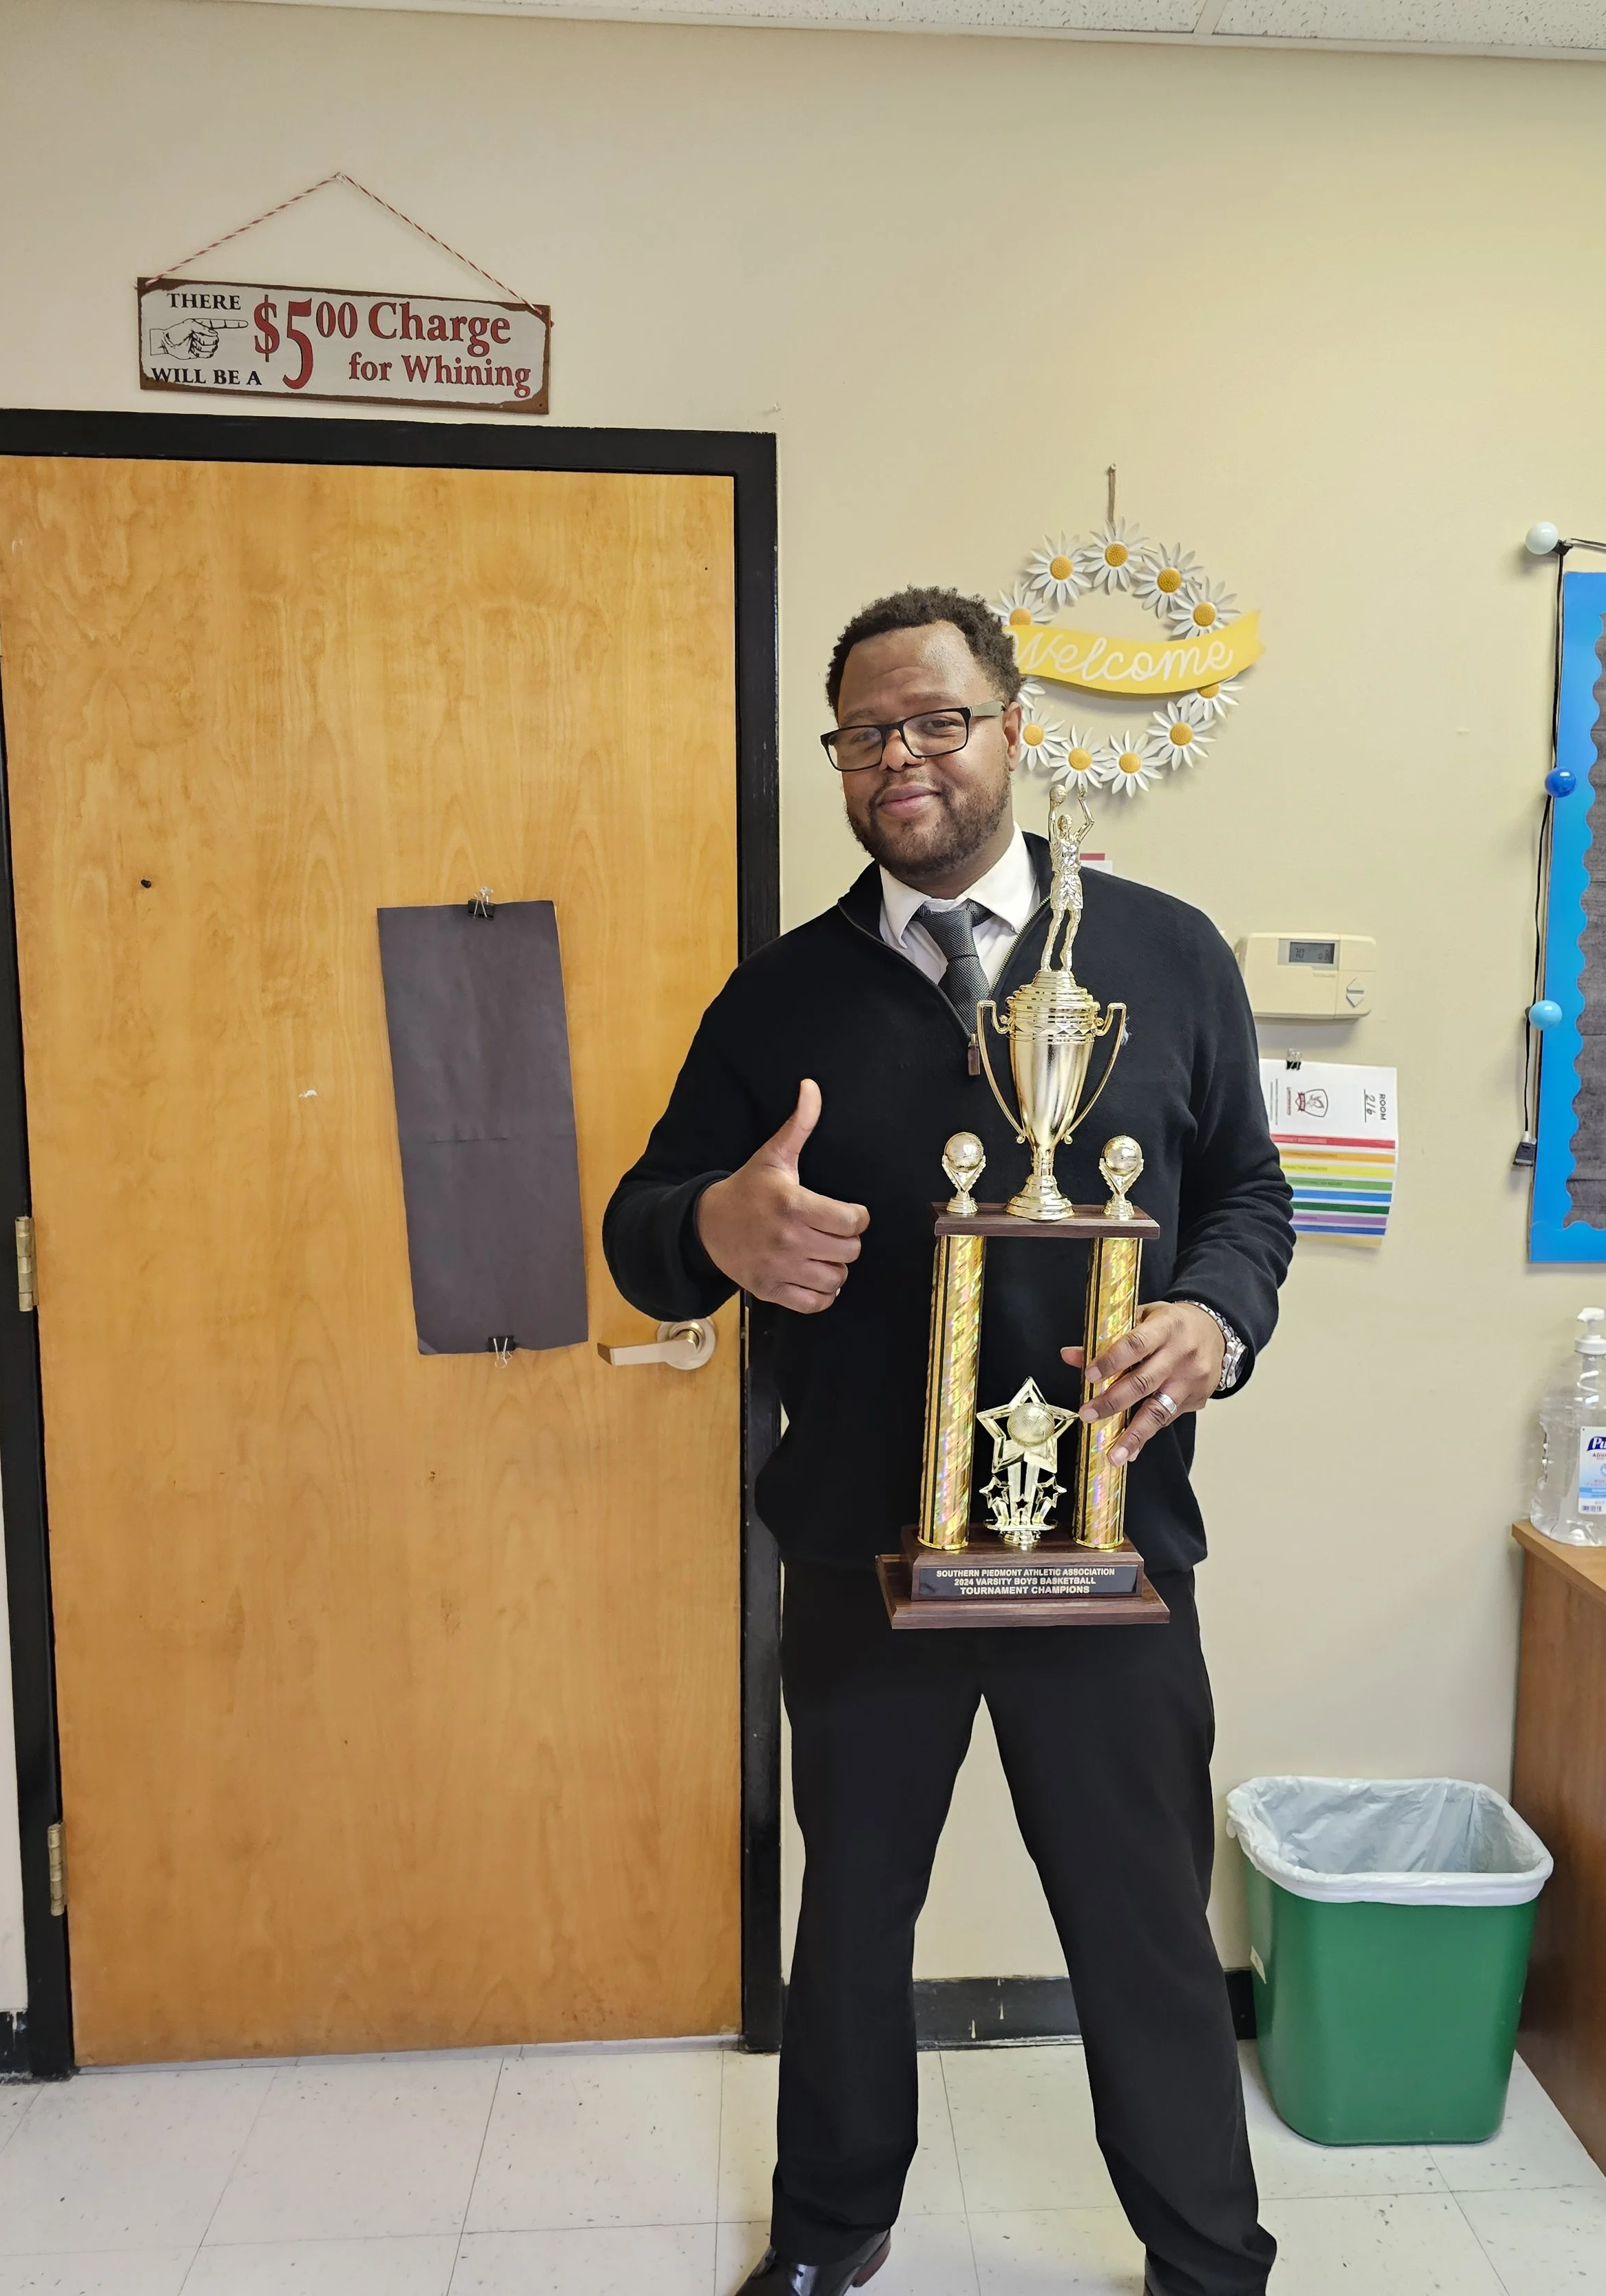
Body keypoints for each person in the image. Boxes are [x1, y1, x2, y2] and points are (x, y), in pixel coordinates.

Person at [604, 586, 1295, 2296]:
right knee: (848, 1930)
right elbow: (636, 1222)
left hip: (1109, 1547)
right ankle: (833, 2238)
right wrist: (715, 1233)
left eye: (933, 720)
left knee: (1142, 1926)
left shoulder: (1161, 953)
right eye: (862, 732)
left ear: (1011, 727)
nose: (897, 756)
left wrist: (1212, 1316)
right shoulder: (777, 999)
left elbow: (1249, 1202)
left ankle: (1207, 2262)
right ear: (835, 759)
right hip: (858, 1548)